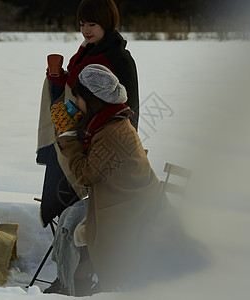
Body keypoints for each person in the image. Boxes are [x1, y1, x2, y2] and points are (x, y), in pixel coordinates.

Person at [49, 64, 173, 295]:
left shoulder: (110, 131)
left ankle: (80, 287)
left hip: (131, 207)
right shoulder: (109, 122)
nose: (76, 103)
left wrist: (68, 138)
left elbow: (87, 174)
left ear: (93, 100)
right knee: (71, 217)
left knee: (75, 225)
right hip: (125, 199)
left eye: (79, 98)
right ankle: (78, 284)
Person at [36, 0, 139, 228]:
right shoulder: (84, 52)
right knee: (61, 188)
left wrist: (116, 149)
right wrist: (59, 81)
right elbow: (81, 91)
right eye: (82, 24)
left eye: (92, 24)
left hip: (100, 143)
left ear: (107, 22)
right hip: (74, 133)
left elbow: (128, 109)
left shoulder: (119, 59)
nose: (85, 30)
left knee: (76, 188)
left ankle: (82, 239)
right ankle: (70, 234)